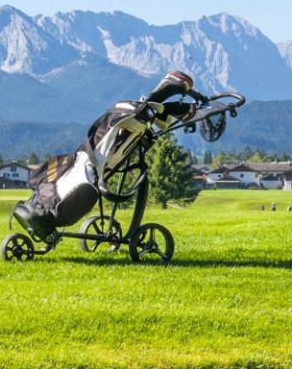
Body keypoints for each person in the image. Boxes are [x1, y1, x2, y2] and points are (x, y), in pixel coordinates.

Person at [14, 70, 204, 241]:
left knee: (146, 110)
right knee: (146, 110)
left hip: (91, 161)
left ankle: (177, 97)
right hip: (93, 163)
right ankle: (180, 102)